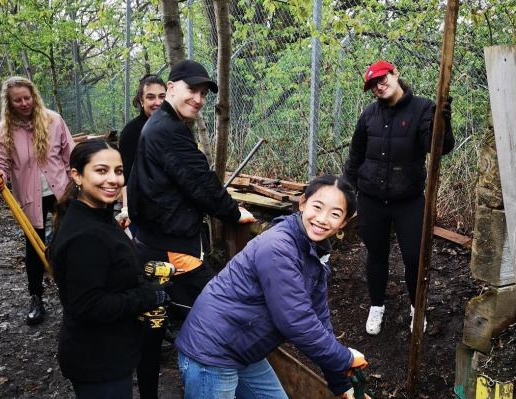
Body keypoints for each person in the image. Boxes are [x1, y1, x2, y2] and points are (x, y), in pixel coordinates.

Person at [175, 175, 368, 399]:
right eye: (318, 207)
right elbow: (295, 320)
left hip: (242, 349)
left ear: (343, 223)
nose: (323, 219)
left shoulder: (315, 252)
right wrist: (344, 358)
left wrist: (341, 383)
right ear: (303, 203)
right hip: (211, 350)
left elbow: (318, 318)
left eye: (335, 214)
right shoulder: (278, 246)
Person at [127, 59, 254, 399]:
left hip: (152, 245)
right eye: (192, 90)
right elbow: (201, 182)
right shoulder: (169, 130)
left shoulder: (160, 122)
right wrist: (233, 213)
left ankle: (150, 394)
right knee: (219, 313)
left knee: (153, 323)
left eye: (202, 94)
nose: (198, 99)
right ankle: (210, 383)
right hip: (171, 252)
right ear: (172, 88)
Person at [47, 139, 172, 399]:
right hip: (97, 359)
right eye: (101, 170)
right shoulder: (86, 235)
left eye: (118, 171)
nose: (113, 179)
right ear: (77, 176)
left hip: (110, 350)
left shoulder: (98, 215)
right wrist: (148, 296)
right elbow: (88, 305)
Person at [343, 60, 455, 336]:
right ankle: (377, 306)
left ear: (395, 74)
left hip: (408, 200)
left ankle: (417, 307)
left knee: (415, 257)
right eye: (372, 85)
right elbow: (356, 155)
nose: (379, 87)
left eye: (382, 79)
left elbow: (439, 148)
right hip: (371, 198)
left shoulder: (423, 108)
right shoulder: (369, 114)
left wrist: (443, 120)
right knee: (376, 254)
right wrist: (345, 190)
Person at [0, 76, 75, 325]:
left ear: (34, 96)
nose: (24, 103)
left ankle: (73, 294)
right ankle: (36, 298)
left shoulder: (53, 120)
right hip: (28, 196)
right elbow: (0, 163)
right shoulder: (3, 130)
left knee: (69, 241)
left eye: (27, 98)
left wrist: (77, 183)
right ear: (9, 103)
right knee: (34, 248)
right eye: (18, 100)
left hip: (61, 191)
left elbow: (70, 155)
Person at [116, 74, 167, 236]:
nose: (157, 102)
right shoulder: (131, 131)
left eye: (162, 97)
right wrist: (126, 209)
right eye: (151, 97)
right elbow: (127, 173)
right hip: (142, 208)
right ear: (141, 100)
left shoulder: (175, 126)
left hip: (169, 206)